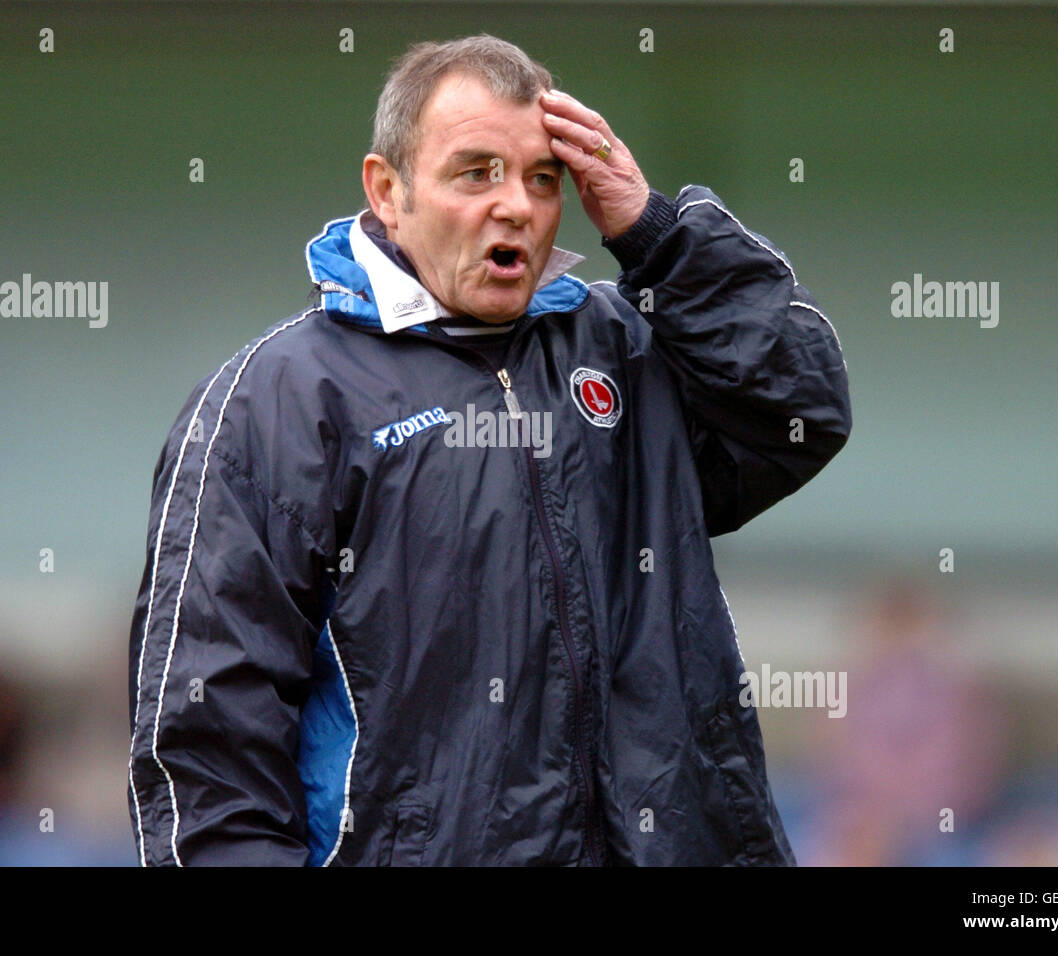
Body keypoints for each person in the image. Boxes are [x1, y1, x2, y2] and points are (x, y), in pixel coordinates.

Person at [127, 34, 851, 866]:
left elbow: (802, 407)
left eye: (542, 179)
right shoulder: (275, 402)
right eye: (477, 173)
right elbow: (204, 750)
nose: (516, 205)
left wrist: (657, 234)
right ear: (388, 190)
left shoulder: (630, 345)